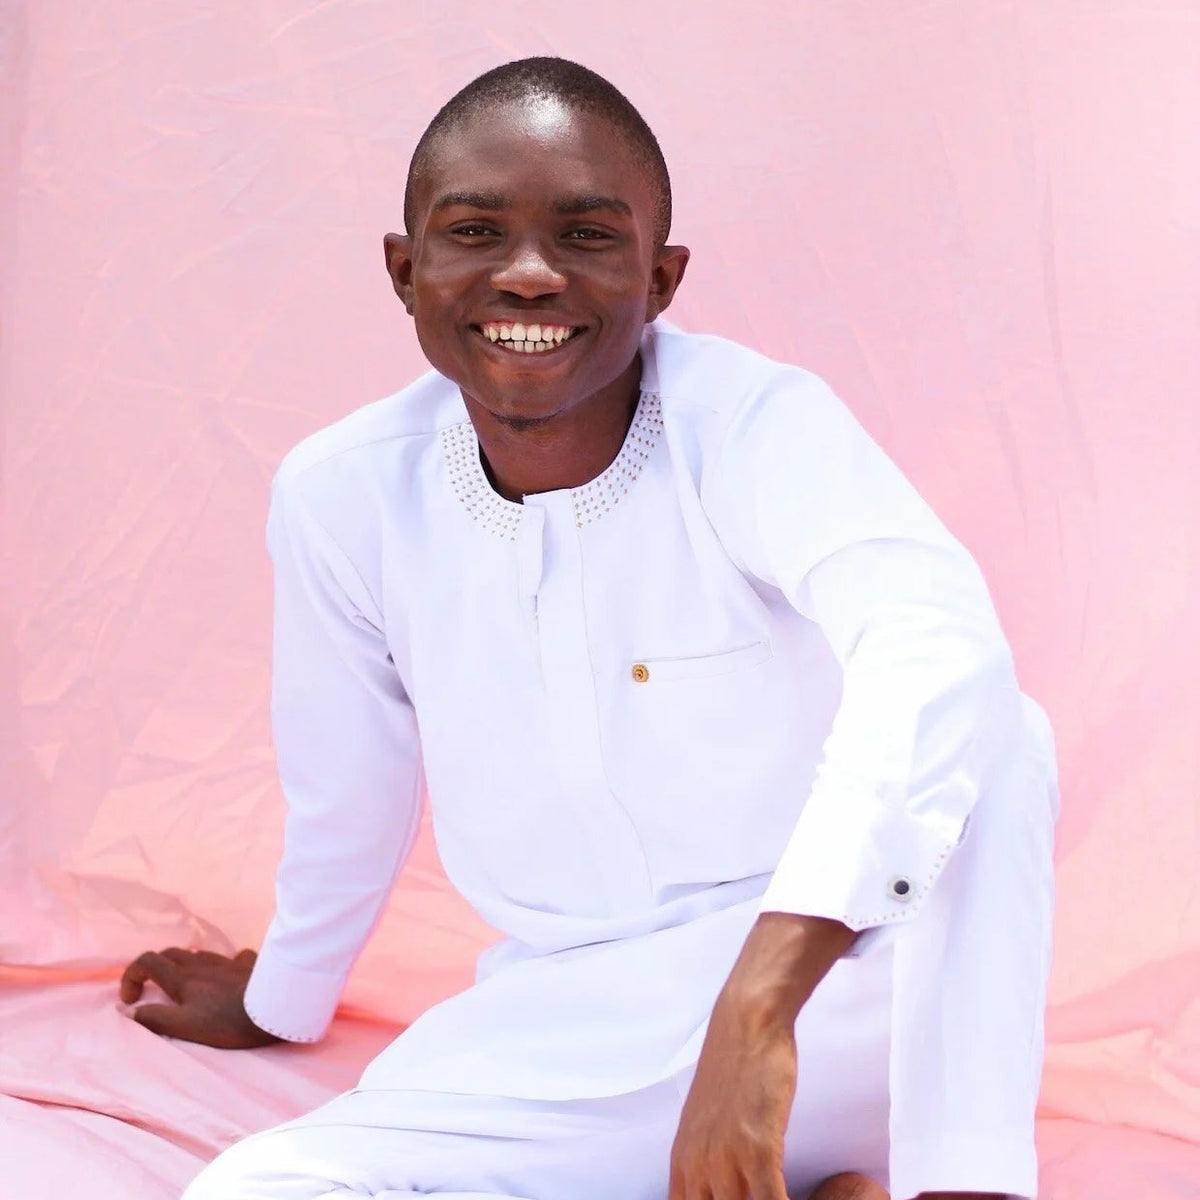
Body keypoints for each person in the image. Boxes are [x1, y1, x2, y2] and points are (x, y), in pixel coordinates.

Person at [120, 57, 1058, 1200]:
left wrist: (758, 1007)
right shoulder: (343, 496)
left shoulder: (753, 427)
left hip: (846, 998)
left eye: (587, 236)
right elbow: (348, 791)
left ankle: (955, 1187)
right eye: (475, 233)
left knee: (996, 725)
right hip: (563, 1028)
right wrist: (281, 999)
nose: (528, 274)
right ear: (406, 271)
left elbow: (937, 644)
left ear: (661, 279)